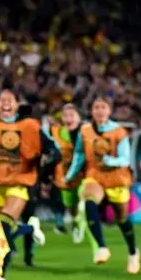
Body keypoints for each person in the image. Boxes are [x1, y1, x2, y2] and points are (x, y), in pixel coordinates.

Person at [0, 90, 47, 280]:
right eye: (2, 100)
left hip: (19, 184)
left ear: (17, 104)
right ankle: (29, 228)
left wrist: (43, 170)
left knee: (4, 227)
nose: (5, 104)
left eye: (10, 100)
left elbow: (51, 149)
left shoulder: (29, 126)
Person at [63, 98, 140, 274]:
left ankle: (133, 252)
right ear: (91, 111)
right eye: (96, 107)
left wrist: (110, 161)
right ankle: (101, 247)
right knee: (89, 201)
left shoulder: (119, 132)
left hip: (116, 178)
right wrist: (70, 175)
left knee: (122, 219)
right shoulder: (85, 130)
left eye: (103, 107)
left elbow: (125, 159)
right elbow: (79, 155)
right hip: (95, 176)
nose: (99, 111)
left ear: (109, 111)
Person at [46, 103, 87, 241]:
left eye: (72, 115)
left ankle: (83, 218)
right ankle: (76, 222)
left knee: (85, 197)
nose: (68, 118)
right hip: (63, 175)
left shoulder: (86, 132)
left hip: (83, 174)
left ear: (79, 118)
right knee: (71, 206)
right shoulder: (56, 132)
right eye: (65, 116)